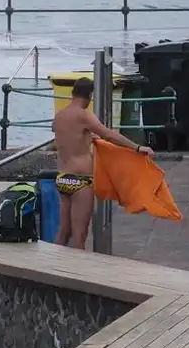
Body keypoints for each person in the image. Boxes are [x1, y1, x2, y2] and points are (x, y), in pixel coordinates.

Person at [53, 78, 152, 249]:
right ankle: (78, 274)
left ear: (73, 93)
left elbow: (65, 139)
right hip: (81, 181)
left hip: (62, 179)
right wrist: (137, 147)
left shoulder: (60, 115)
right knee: (79, 236)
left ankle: (50, 269)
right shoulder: (84, 115)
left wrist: (88, 138)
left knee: (63, 232)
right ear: (90, 95)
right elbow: (110, 135)